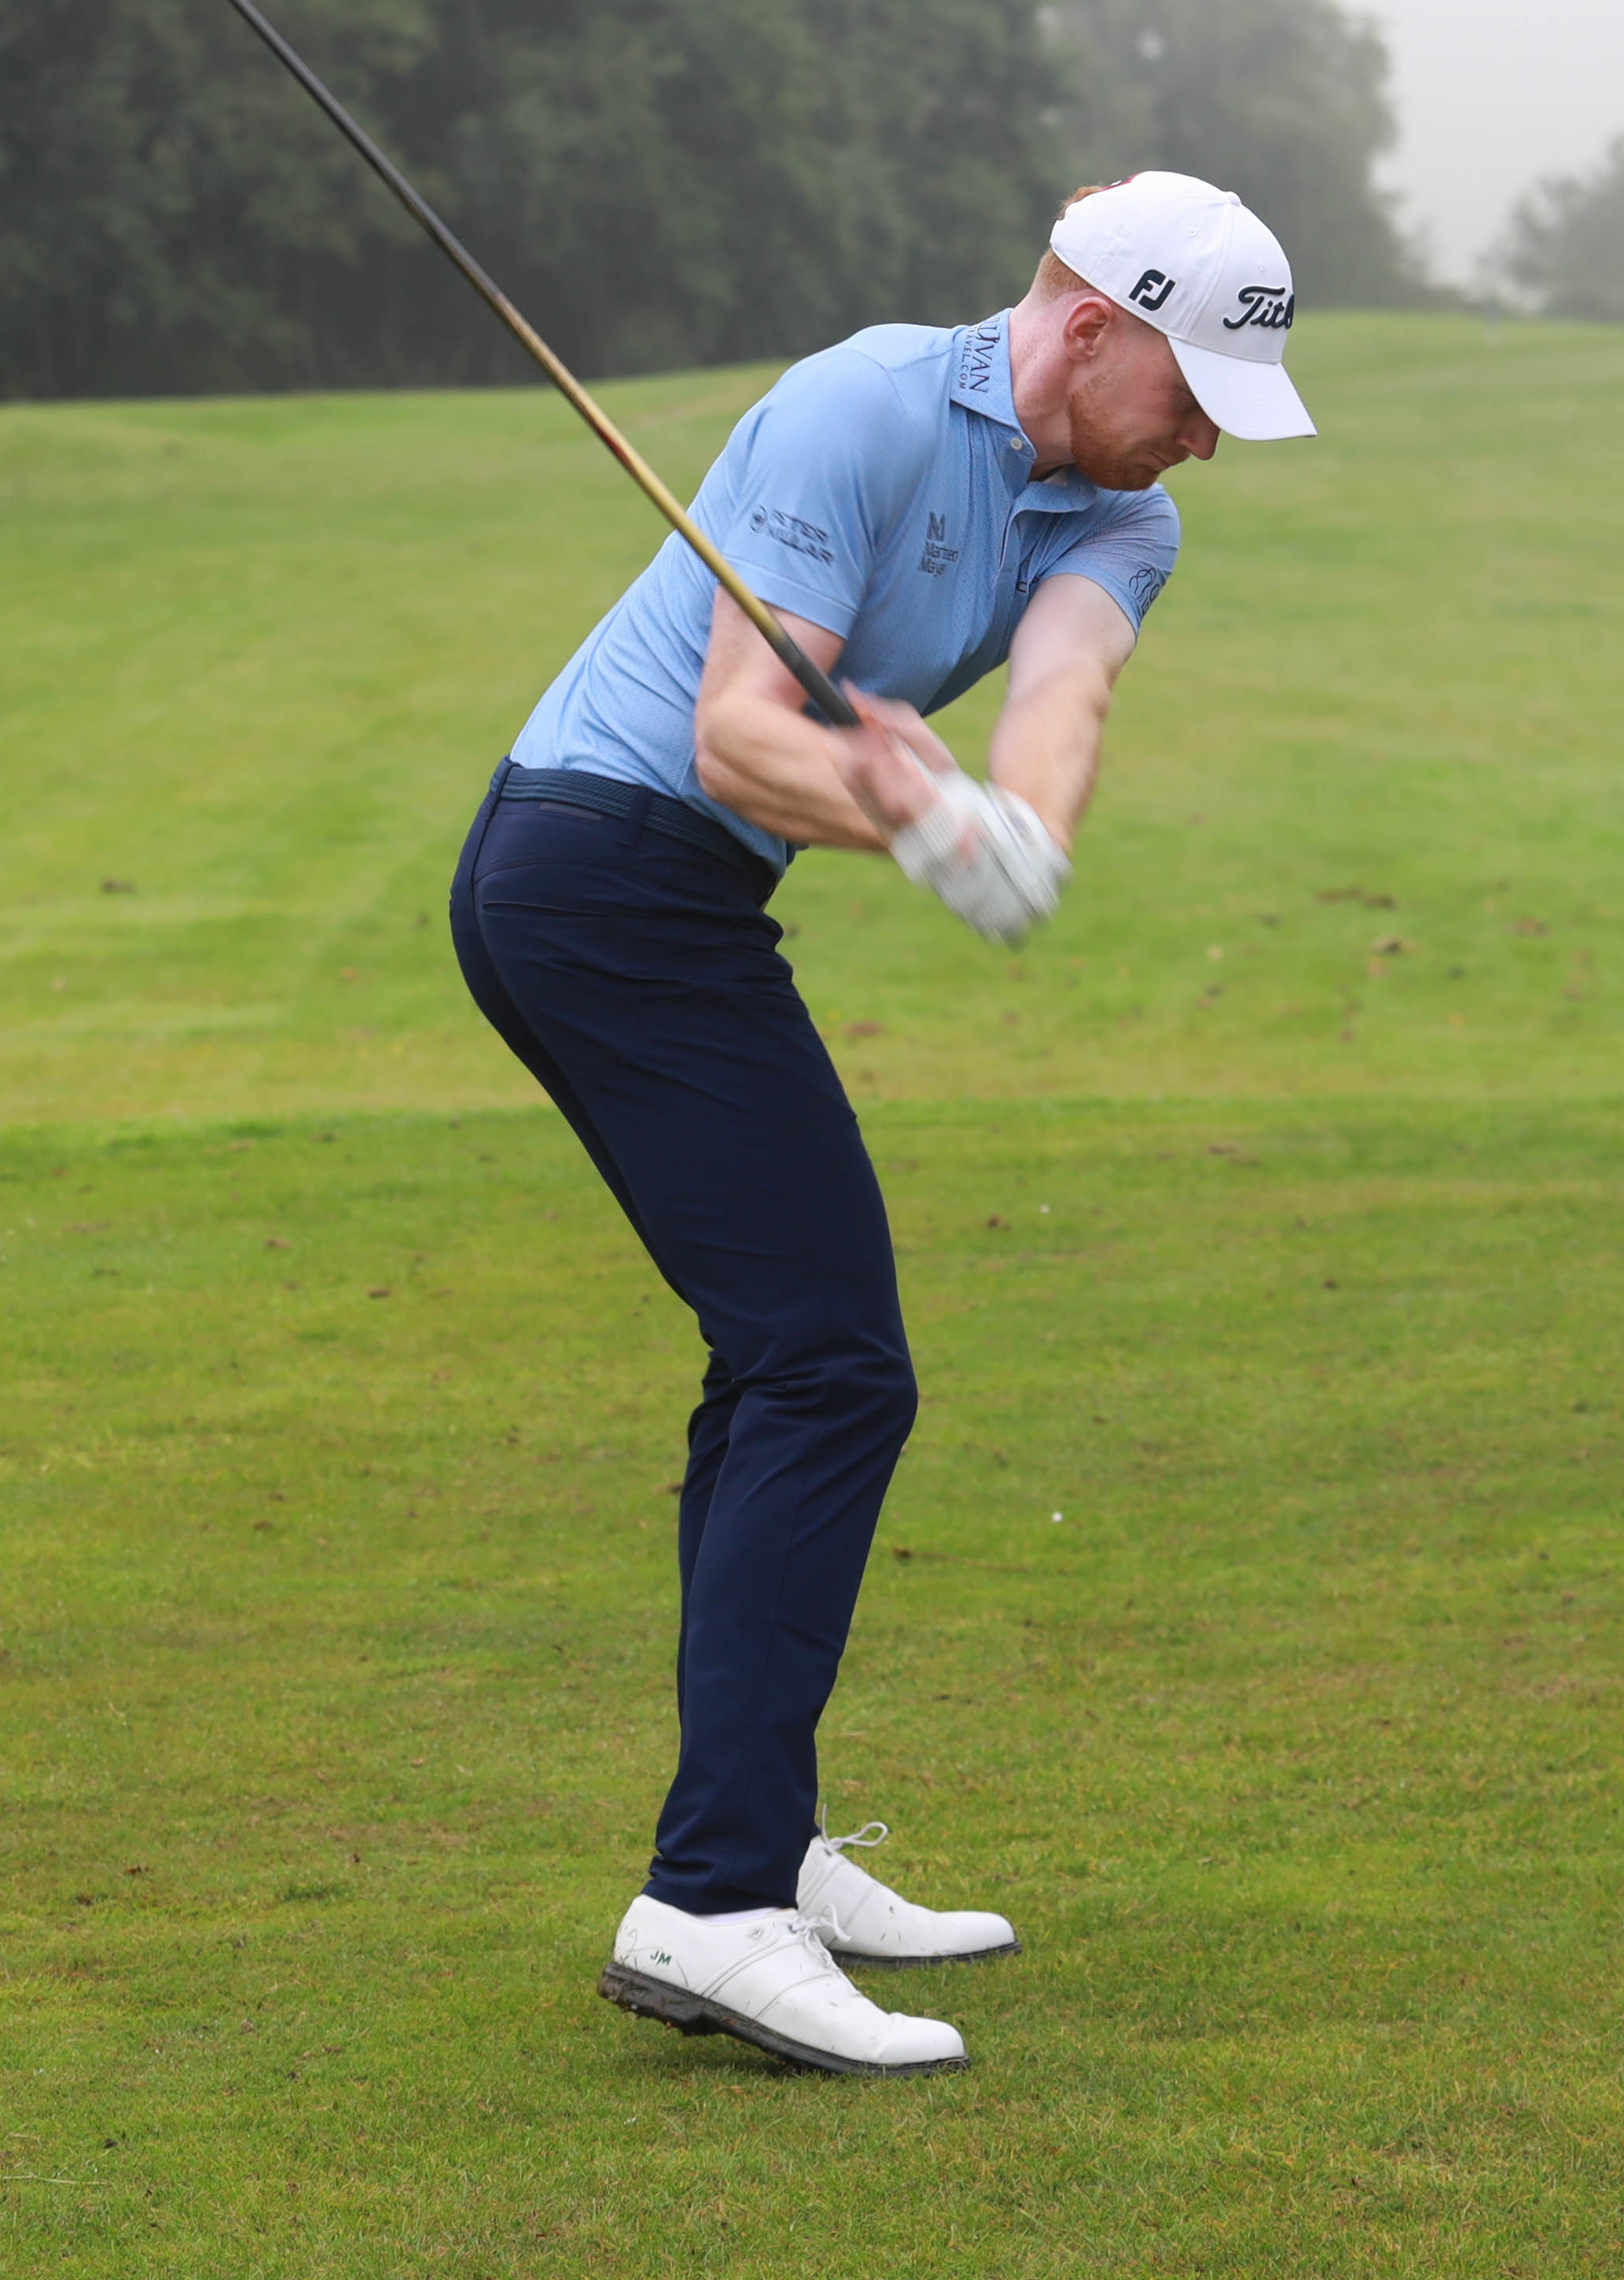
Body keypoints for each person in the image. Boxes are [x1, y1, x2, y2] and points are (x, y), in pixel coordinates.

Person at [449, 171, 1314, 2076]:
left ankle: (757, 1839)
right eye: (1192, 391)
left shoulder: (1128, 511)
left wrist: (1024, 828)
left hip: (678, 900)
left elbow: (1064, 688)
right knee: (833, 1366)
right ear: (1086, 325)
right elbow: (738, 734)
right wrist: (918, 818)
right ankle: (712, 1900)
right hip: (590, 875)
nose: (1204, 440)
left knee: (785, 1360)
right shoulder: (857, 405)